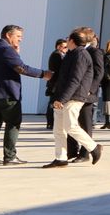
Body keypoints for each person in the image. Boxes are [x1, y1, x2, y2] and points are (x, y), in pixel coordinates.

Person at [0, 24, 51, 166]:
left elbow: (8, 65)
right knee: (13, 123)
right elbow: (21, 68)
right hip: (7, 94)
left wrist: (16, 53)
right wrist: (44, 74)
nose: (20, 40)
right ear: (8, 35)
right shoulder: (6, 49)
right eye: (18, 36)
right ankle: (10, 156)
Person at [44, 27, 103, 168]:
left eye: (67, 38)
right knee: (58, 129)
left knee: (71, 126)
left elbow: (75, 80)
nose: (66, 41)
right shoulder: (72, 54)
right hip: (63, 96)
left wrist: (62, 99)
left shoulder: (81, 55)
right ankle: (61, 158)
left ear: (71, 40)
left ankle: (94, 148)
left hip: (74, 97)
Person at [67, 32, 105, 161]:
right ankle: (72, 151)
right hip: (74, 93)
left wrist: (90, 89)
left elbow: (99, 73)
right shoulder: (75, 51)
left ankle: (85, 153)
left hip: (86, 93)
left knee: (84, 124)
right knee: (71, 123)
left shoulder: (95, 51)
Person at [44, 38, 67, 131]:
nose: (66, 48)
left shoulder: (60, 54)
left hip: (55, 82)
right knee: (53, 103)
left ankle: (51, 122)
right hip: (55, 83)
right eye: (65, 47)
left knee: (53, 102)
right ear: (59, 47)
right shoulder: (57, 55)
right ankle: (50, 122)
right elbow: (59, 70)